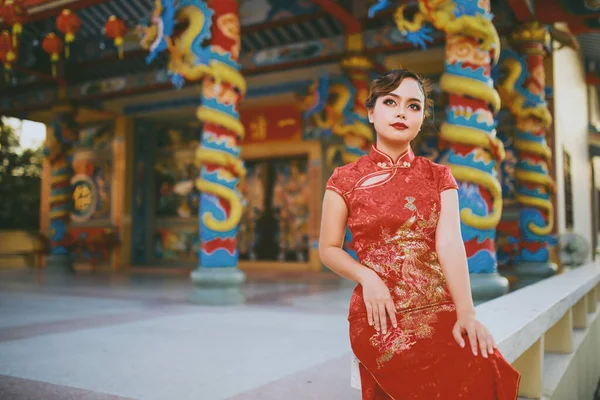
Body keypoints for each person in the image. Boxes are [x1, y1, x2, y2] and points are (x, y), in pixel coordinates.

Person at [318, 69, 520, 399]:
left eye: (413, 106)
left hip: (439, 305)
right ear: (371, 112)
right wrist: (367, 277)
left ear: (422, 118)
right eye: (390, 101)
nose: (401, 112)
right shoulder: (344, 179)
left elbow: (450, 244)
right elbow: (328, 248)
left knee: (482, 364)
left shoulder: (439, 176)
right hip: (381, 312)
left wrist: (467, 313)